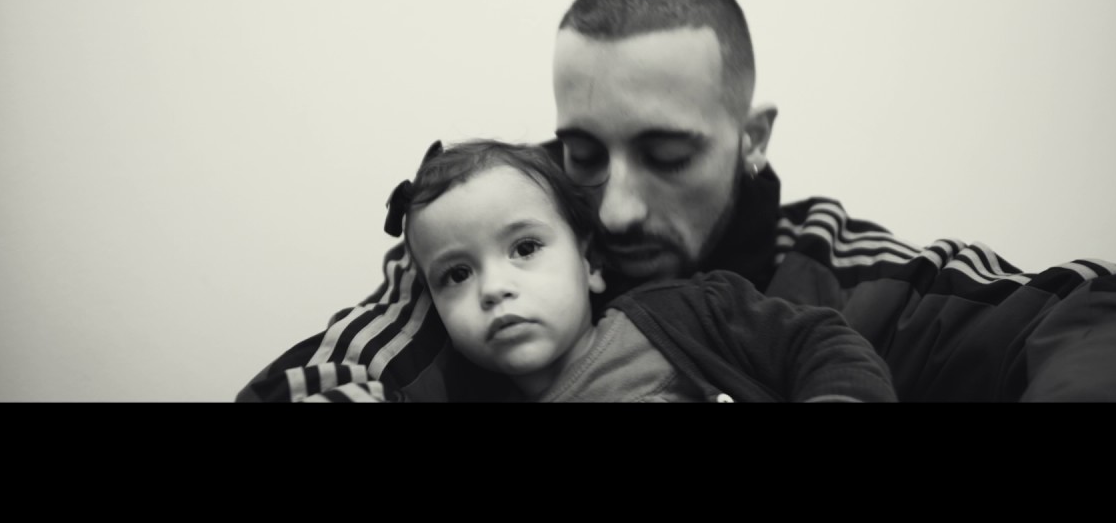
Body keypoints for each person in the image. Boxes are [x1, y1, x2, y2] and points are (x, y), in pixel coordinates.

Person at [237, 0, 1116, 403]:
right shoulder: (486, 247)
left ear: (750, 139)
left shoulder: (845, 272)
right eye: (583, 153)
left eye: (667, 156)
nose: (615, 206)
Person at [384, 138, 896, 402]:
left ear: (590, 263)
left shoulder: (688, 311)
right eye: (456, 275)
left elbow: (820, 343)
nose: (495, 288)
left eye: (525, 247)